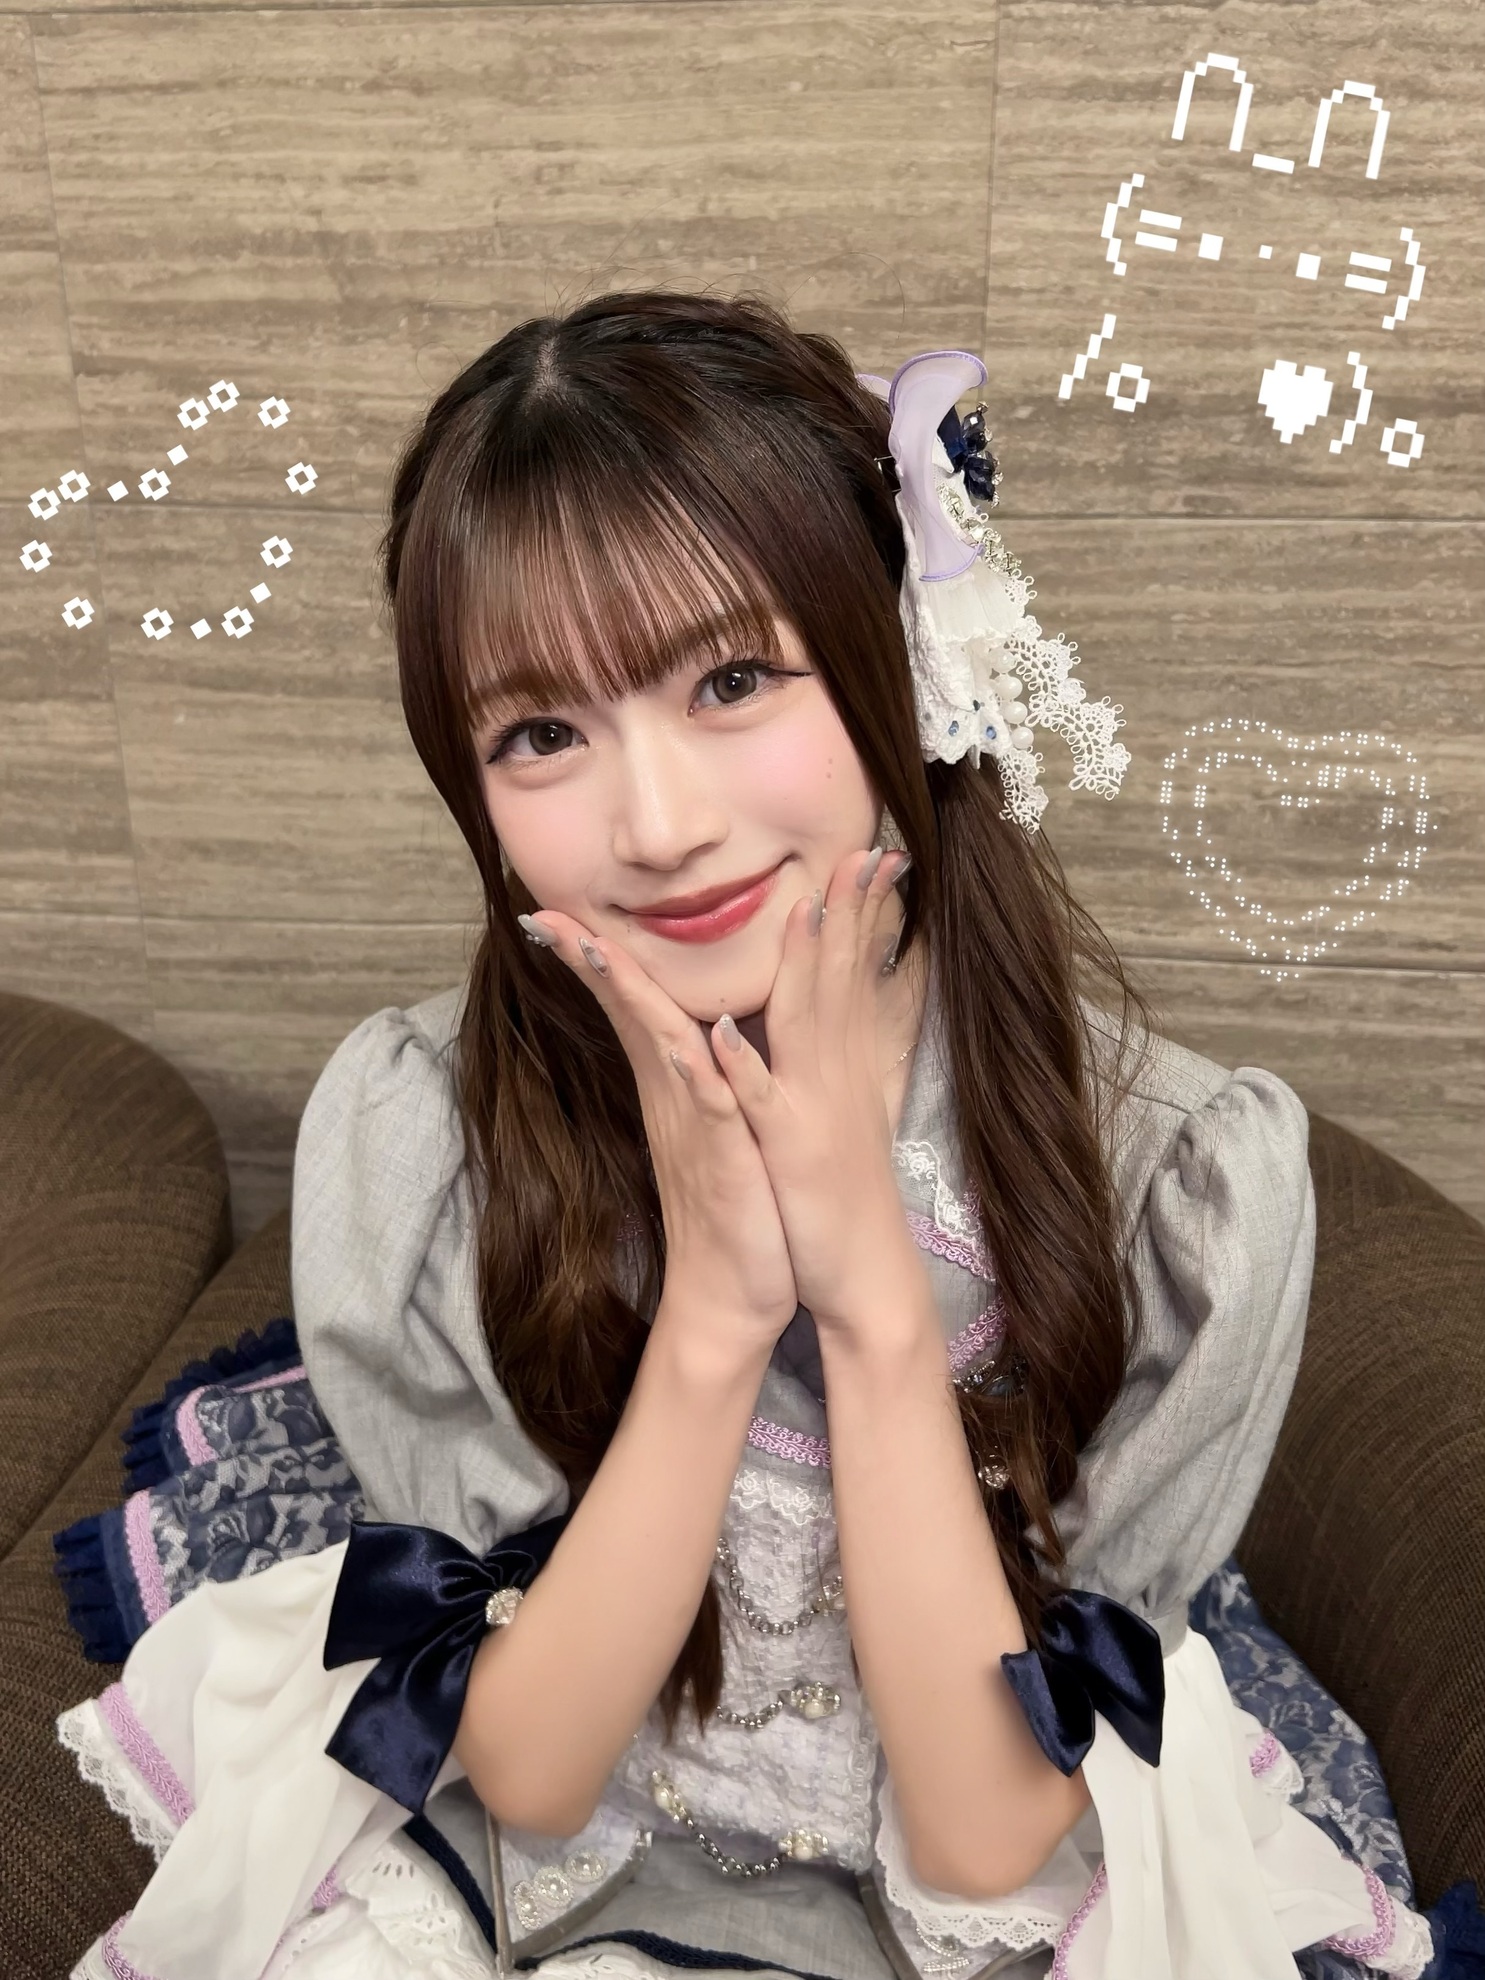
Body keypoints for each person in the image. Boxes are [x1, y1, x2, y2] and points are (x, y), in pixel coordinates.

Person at [54, 291, 1441, 1980]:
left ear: (896, 656)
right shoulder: (428, 1133)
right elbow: (534, 1774)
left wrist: (868, 1293)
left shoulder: (1178, 1177)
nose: (657, 825)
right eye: (541, 734)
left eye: (731, 677)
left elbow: (986, 1833)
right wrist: (715, 1309)